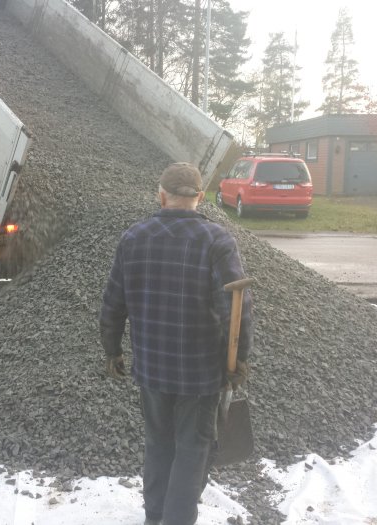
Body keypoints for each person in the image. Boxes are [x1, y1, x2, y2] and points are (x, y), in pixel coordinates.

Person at [99, 162, 253, 525]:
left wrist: (112, 349)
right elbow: (237, 306)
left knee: (158, 445)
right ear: (199, 197)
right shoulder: (216, 240)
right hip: (199, 375)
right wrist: (239, 360)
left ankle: (155, 518)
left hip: (151, 368)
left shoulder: (133, 238)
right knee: (192, 450)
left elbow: (113, 302)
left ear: (161, 194)